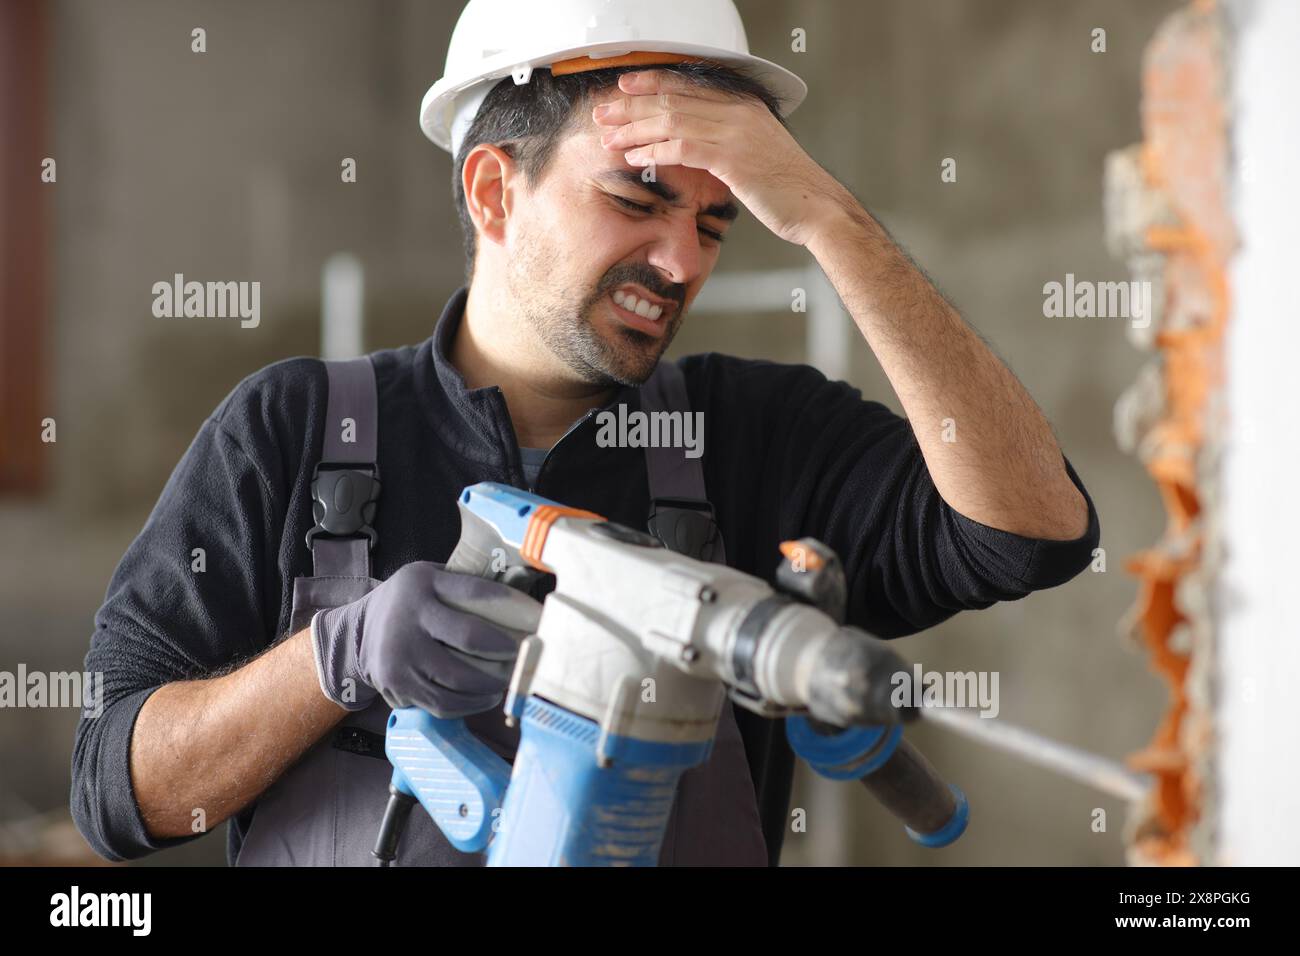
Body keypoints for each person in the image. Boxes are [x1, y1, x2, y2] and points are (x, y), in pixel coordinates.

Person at [72, 0, 1099, 866]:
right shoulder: (290, 428)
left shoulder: (759, 434)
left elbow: (1034, 531)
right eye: (637, 198)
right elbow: (118, 792)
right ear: (492, 190)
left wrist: (829, 219)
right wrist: (330, 661)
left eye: (712, 220)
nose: (682, 261)